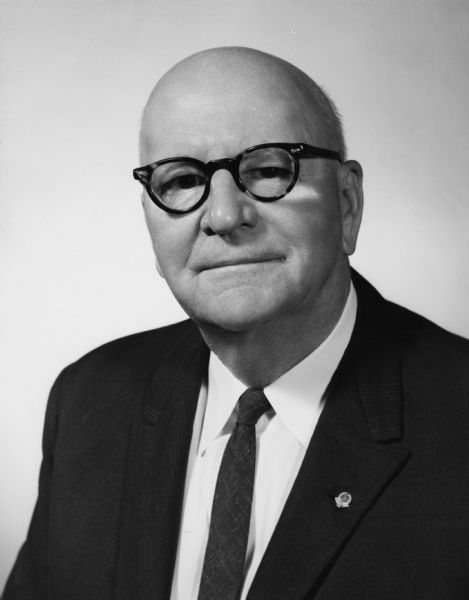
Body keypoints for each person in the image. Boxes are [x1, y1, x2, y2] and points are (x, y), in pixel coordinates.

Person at [4, 47, 469, 600]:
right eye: (179, 181)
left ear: (346, 204)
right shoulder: (89, 401)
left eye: (269, 169)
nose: (223, 216)